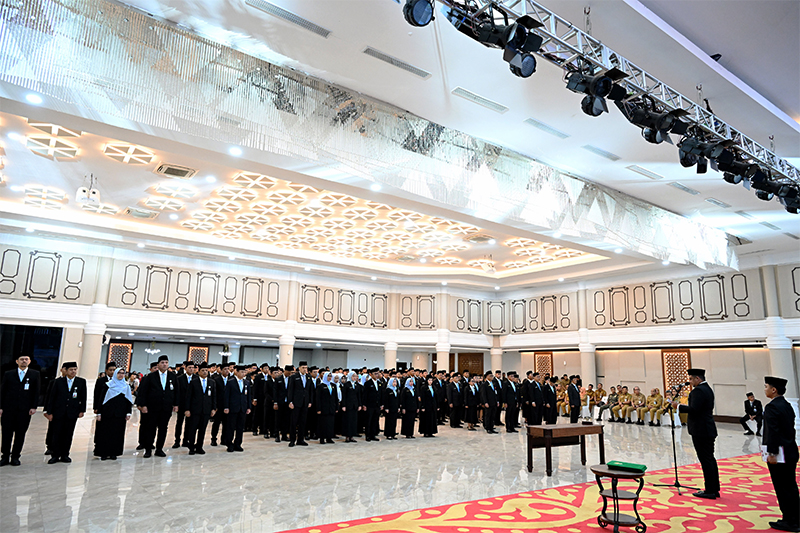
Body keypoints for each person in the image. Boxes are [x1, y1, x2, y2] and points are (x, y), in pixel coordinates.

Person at [674, 368, 720, 499]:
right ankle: (714, 488)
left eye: (691, 379)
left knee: (706, 460)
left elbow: (694, 409)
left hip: (701, 430)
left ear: (697, 378)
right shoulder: (707, 389)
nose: (690, 381)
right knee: (710, 459)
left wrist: (678, 406)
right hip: (707, 428)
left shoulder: (698, 391)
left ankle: (710, 490)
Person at [762, 376, 799, 532]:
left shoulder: (772, 407)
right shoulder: (787, 405)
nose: (765, 389)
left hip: (780, 454)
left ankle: (789, 521)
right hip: (790, 450)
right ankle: (795, 518)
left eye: (766, 387)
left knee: (782, 488)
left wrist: (772, 453)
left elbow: (773, 432)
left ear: (774, 389)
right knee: (790, 486)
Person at [0, 354, 41, 466]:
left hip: (24, 410)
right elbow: (3, 391)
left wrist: (34, 406)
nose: (24, 361)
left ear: (29, 361)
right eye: (21, 359)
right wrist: (1, 407)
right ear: (17, 361)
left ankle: (15, 456)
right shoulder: (9, 374)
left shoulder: (34, 374)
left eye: (26, 359)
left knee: (20, 433)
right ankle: (5, 456)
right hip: (8, 409)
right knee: (6, 433)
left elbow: (36, 391)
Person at [135, 355, 180, 458]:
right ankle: (148, 449)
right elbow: (143, 392)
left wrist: (176, 404)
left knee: (163, 428)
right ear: (158, 364)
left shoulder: (173, 376)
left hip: (166, 407)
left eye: (166, 363)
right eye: (162, 363)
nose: (164, 364)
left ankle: (159, 449)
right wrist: (143, 405)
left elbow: (177, 391)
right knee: (151, 428)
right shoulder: (150, 376)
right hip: (152, 407)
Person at [42, 361, 86, 464]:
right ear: (65, 370)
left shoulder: (81, 382)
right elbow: (52, 397)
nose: (73, 371)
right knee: (56, 434)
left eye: (75, 369)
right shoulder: (58, 382)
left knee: (68, 434)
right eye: (71, 369)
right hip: (58, 412)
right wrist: (49, 411)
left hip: (72, 412)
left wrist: (82, 410)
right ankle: (55, 455)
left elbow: (83, 397)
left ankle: (65, 454)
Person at [95, 367, 133, 460]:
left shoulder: (126, 386)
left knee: (117, 434)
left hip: (120, 414)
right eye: (119, 373)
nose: (121, 375)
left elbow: (128, 400)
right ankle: (103, 453)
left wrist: (128, 412)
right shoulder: (107, 385)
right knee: (105, 433)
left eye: (123, 373)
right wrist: (99, 413)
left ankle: (114, 453)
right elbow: (101, 400)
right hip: (107, 413)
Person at [184, 362, 217, 455]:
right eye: (203, 370)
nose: (205, 372)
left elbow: (214, 396)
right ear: (199, 372)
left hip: (206, 409)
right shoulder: (193, 382)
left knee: (202, 429)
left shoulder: (212, 382)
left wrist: (214, 408)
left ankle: (199, 446)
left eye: (206, 370)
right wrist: (187, 409)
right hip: (195, 410)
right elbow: (188, 397)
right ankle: (191, 447)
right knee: (193, 429)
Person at [223, 365, 252, 452]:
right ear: (237, 372)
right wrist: (226, 407)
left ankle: (238, 444)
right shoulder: (230, 382)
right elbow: (226, 395)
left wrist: (249, 407)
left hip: (243, 407)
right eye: (242, 372)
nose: (243, 374)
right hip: (233, 407)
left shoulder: (246, 382)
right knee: (231, 427)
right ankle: (229, 444)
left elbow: (248, 396)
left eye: (244, 372)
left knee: (240, 427)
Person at [93, 362, 117, 457]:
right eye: (110, 370)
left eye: (114, 370)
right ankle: (99, 448)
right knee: (101, 429)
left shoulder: (118, 381)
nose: (112, 372)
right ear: (106, 371)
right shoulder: (101, 381)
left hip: (114, 409)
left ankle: (111, 450)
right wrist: (96, 407)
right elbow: (96, 394)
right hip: (102, 409)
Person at [286, 361, 311, 447]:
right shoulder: (294, 377)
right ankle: (292, 440)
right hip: (296, 403)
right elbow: (290, 390)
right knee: (294, 422)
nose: (305, 369)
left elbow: (310, 390)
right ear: (299, 368)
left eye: (306, 368)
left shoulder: (308, 377)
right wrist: (290, 401)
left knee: (303, 422)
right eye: (303, 368)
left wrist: (310, 401)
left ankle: (300, 439)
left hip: (305, 402)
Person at [173, 361, 195, 448]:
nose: (191, 369)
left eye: (193, 368)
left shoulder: (196, 378)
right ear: (185, 368)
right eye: (189, 367)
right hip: (181, 404)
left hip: (191, 405)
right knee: (179, 423)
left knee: (189, 424)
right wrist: (176, 404)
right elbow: (177, 392)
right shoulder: (179, 378)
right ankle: (177, 441)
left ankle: (186, 440)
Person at [210, 364, 231, 447]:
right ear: (221, 370)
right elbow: (214, 394)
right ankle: (213, 439)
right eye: (225, 369)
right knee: (216, 423)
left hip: (228, 406)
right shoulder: (216, 380)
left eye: (228, 369)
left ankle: (224, 439)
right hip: (219, 405)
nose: (227, 371)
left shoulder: (231, 380)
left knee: (226, 424)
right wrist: (214, 406)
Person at [316, 372, 337, 444]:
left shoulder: (333, 385)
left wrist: (336, 407)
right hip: (323, 408)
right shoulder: (320, 386)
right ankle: (322, 438)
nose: (330, 378)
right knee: (323, 424)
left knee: (330, 424)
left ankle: (329, 438)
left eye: (330, 376)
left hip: (331, 408)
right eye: (328, 376)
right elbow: (318, 398)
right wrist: (318, 408)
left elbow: (335, 397)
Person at [342, 371, 361, 442]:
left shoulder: (357, 385)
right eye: (353, 376)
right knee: (348, 421)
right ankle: (347, 436)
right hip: (348, 405)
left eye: (355, 376)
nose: (355, 378)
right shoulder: (346, 385)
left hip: (355, 405)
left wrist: (359, 404)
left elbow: (359, 396)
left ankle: (352, 436)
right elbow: (344, 396)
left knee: (354, 421)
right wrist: (343, 405)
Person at [362, 368, 382, 442]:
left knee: (375, 420)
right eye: (375, 374)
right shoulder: (368, 383)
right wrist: (364, 404)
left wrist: (381, 404)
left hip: (377, 405)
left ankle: (373, 435)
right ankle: (368, 435)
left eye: (377, 373)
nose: (377, 375)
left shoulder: (379, 383)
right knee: (368, 421)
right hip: (369, 405)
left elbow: (381, 394)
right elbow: (365, 395)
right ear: (371, 374)